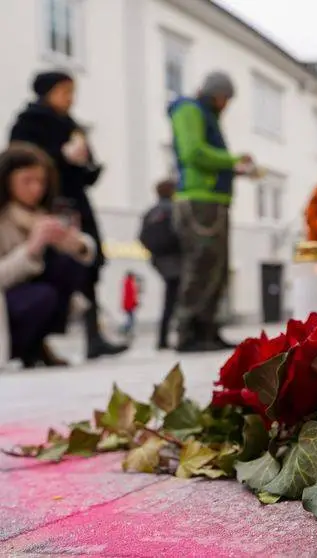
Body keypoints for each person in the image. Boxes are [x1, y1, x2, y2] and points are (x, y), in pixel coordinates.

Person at [8, 70, 127, 360]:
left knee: (86, 262)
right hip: (46, 205)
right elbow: (23, 161)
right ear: (47, 92)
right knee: (44, 267)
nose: (69, 99)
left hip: (76, 201)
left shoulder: (73, 126)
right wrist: (61, 157)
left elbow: (85, 173)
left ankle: (93, 335)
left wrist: (87, 164)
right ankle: (35, 342)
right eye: (63, 92)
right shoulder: (29, 123)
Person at [168, 71, 256, 353]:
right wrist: (233, 161)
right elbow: (193, 152)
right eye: (226, 99)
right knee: (200, 266)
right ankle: (187, 332)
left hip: (214, 201)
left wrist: (234, 169)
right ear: (217, 95)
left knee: (216, 269)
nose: (226, 105)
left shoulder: (207, 114)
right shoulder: (188, 109)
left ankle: (207, 329)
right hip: (198, 201)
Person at [0, 143, 96, 368]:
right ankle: (25, 346)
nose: (36, 189)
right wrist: (31, 249)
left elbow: (83, 254)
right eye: (27, 181)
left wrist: (74, 243)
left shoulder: (44, 215)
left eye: (41, 181)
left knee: (68, 264)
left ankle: (37, 345)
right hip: (11, 304)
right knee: (42, 296)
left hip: (34, 297)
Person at [139, 179, 181, 350]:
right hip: (177, 259)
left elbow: (141, 237)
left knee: (169, 298)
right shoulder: (174, 209)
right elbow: (183, 232)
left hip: (160, 261)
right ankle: (184, 335)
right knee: (180, 299)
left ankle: (162, 338)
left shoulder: (150, 213)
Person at [121, 271, 138, 338]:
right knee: (131, 320)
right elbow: (130, 295)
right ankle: (125, 330)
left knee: (130, 319)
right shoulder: (129, 283)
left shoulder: (128, 283)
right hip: (129, 305)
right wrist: (134, 303)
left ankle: (126, 330)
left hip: (129, 305)